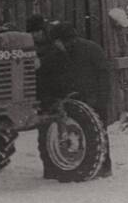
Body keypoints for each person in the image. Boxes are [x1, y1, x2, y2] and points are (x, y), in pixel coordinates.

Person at [47, 19, 113, 178]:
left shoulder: (89, 50)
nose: (57, 45)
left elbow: (104, 75)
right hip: (76, 101)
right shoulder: (64, 53)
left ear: (62, 40)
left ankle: (104, 166)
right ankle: (96, 166)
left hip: (92, 99)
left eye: (57, 41)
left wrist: (101, 98)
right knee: (93, 133)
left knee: (97, 133)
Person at [26, 13, 70, 109]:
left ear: (43, 31)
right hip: (37, 90)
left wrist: (42, 62)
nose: (34, 35)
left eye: (37, 31)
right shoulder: (30, 47)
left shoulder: (53, 45)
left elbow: (59, 60)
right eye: (31, 32)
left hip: (53, 88)